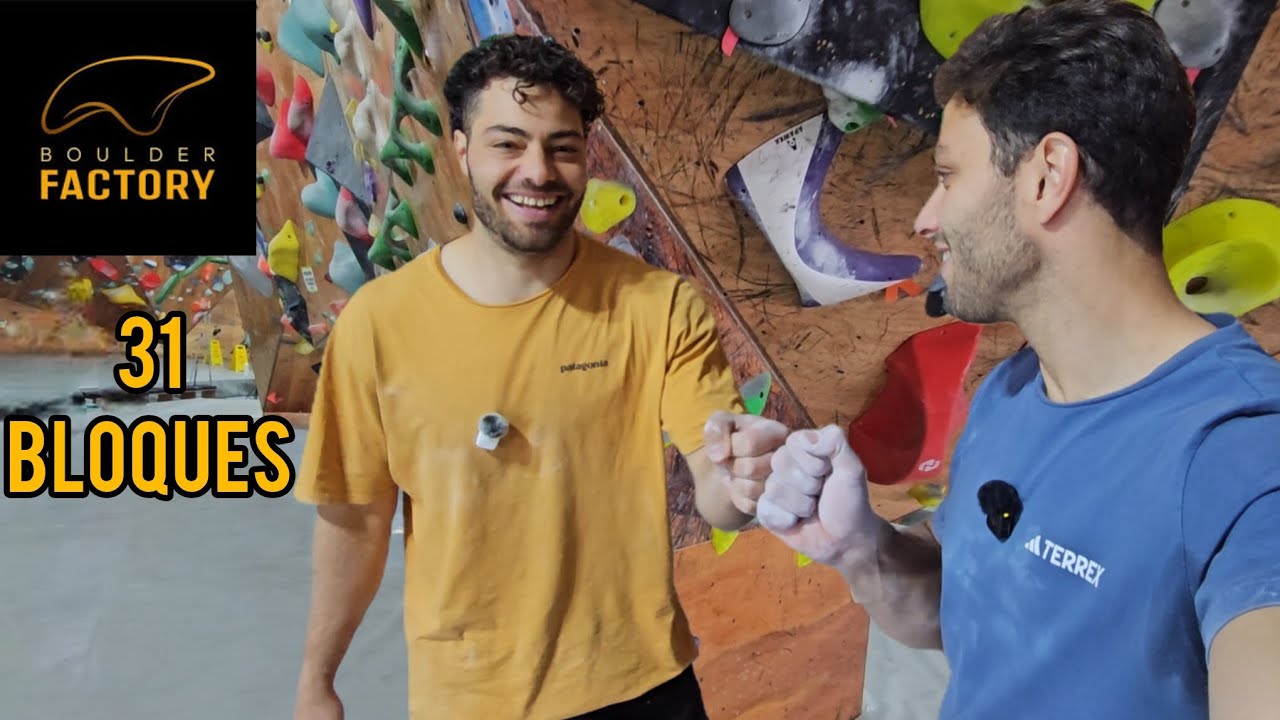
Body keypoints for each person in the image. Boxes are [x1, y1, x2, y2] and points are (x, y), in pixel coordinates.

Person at [727, 1, 1280, 717]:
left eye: (948, 174)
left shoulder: (1243, 455)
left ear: (1047, 176)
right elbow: (954, 616)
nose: (927, 217)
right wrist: (860, 545)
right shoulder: (1012, 391)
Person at [290, 34, 785, 720]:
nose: (538, 170)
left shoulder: (658, 306)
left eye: (562, 146)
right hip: (467, 698)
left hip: (640, 688)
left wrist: (744, 478)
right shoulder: (379, 324)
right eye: (507, 143)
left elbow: (718, 489)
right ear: (460, 148)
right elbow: (356, 518)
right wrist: (318, 678)